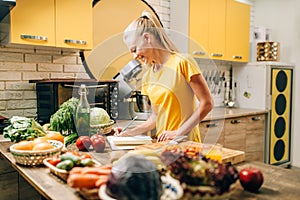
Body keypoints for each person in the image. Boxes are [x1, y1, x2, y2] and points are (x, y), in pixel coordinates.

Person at [114, 10, 213, 142]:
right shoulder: (148, 76)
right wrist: (128, 133)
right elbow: (155, 118)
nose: (135, 56)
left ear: (147, 38)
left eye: (135, 49)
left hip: (186, 144)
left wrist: (178, 132)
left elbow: (207, 103)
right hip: (162, 145)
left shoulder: (182, 62)